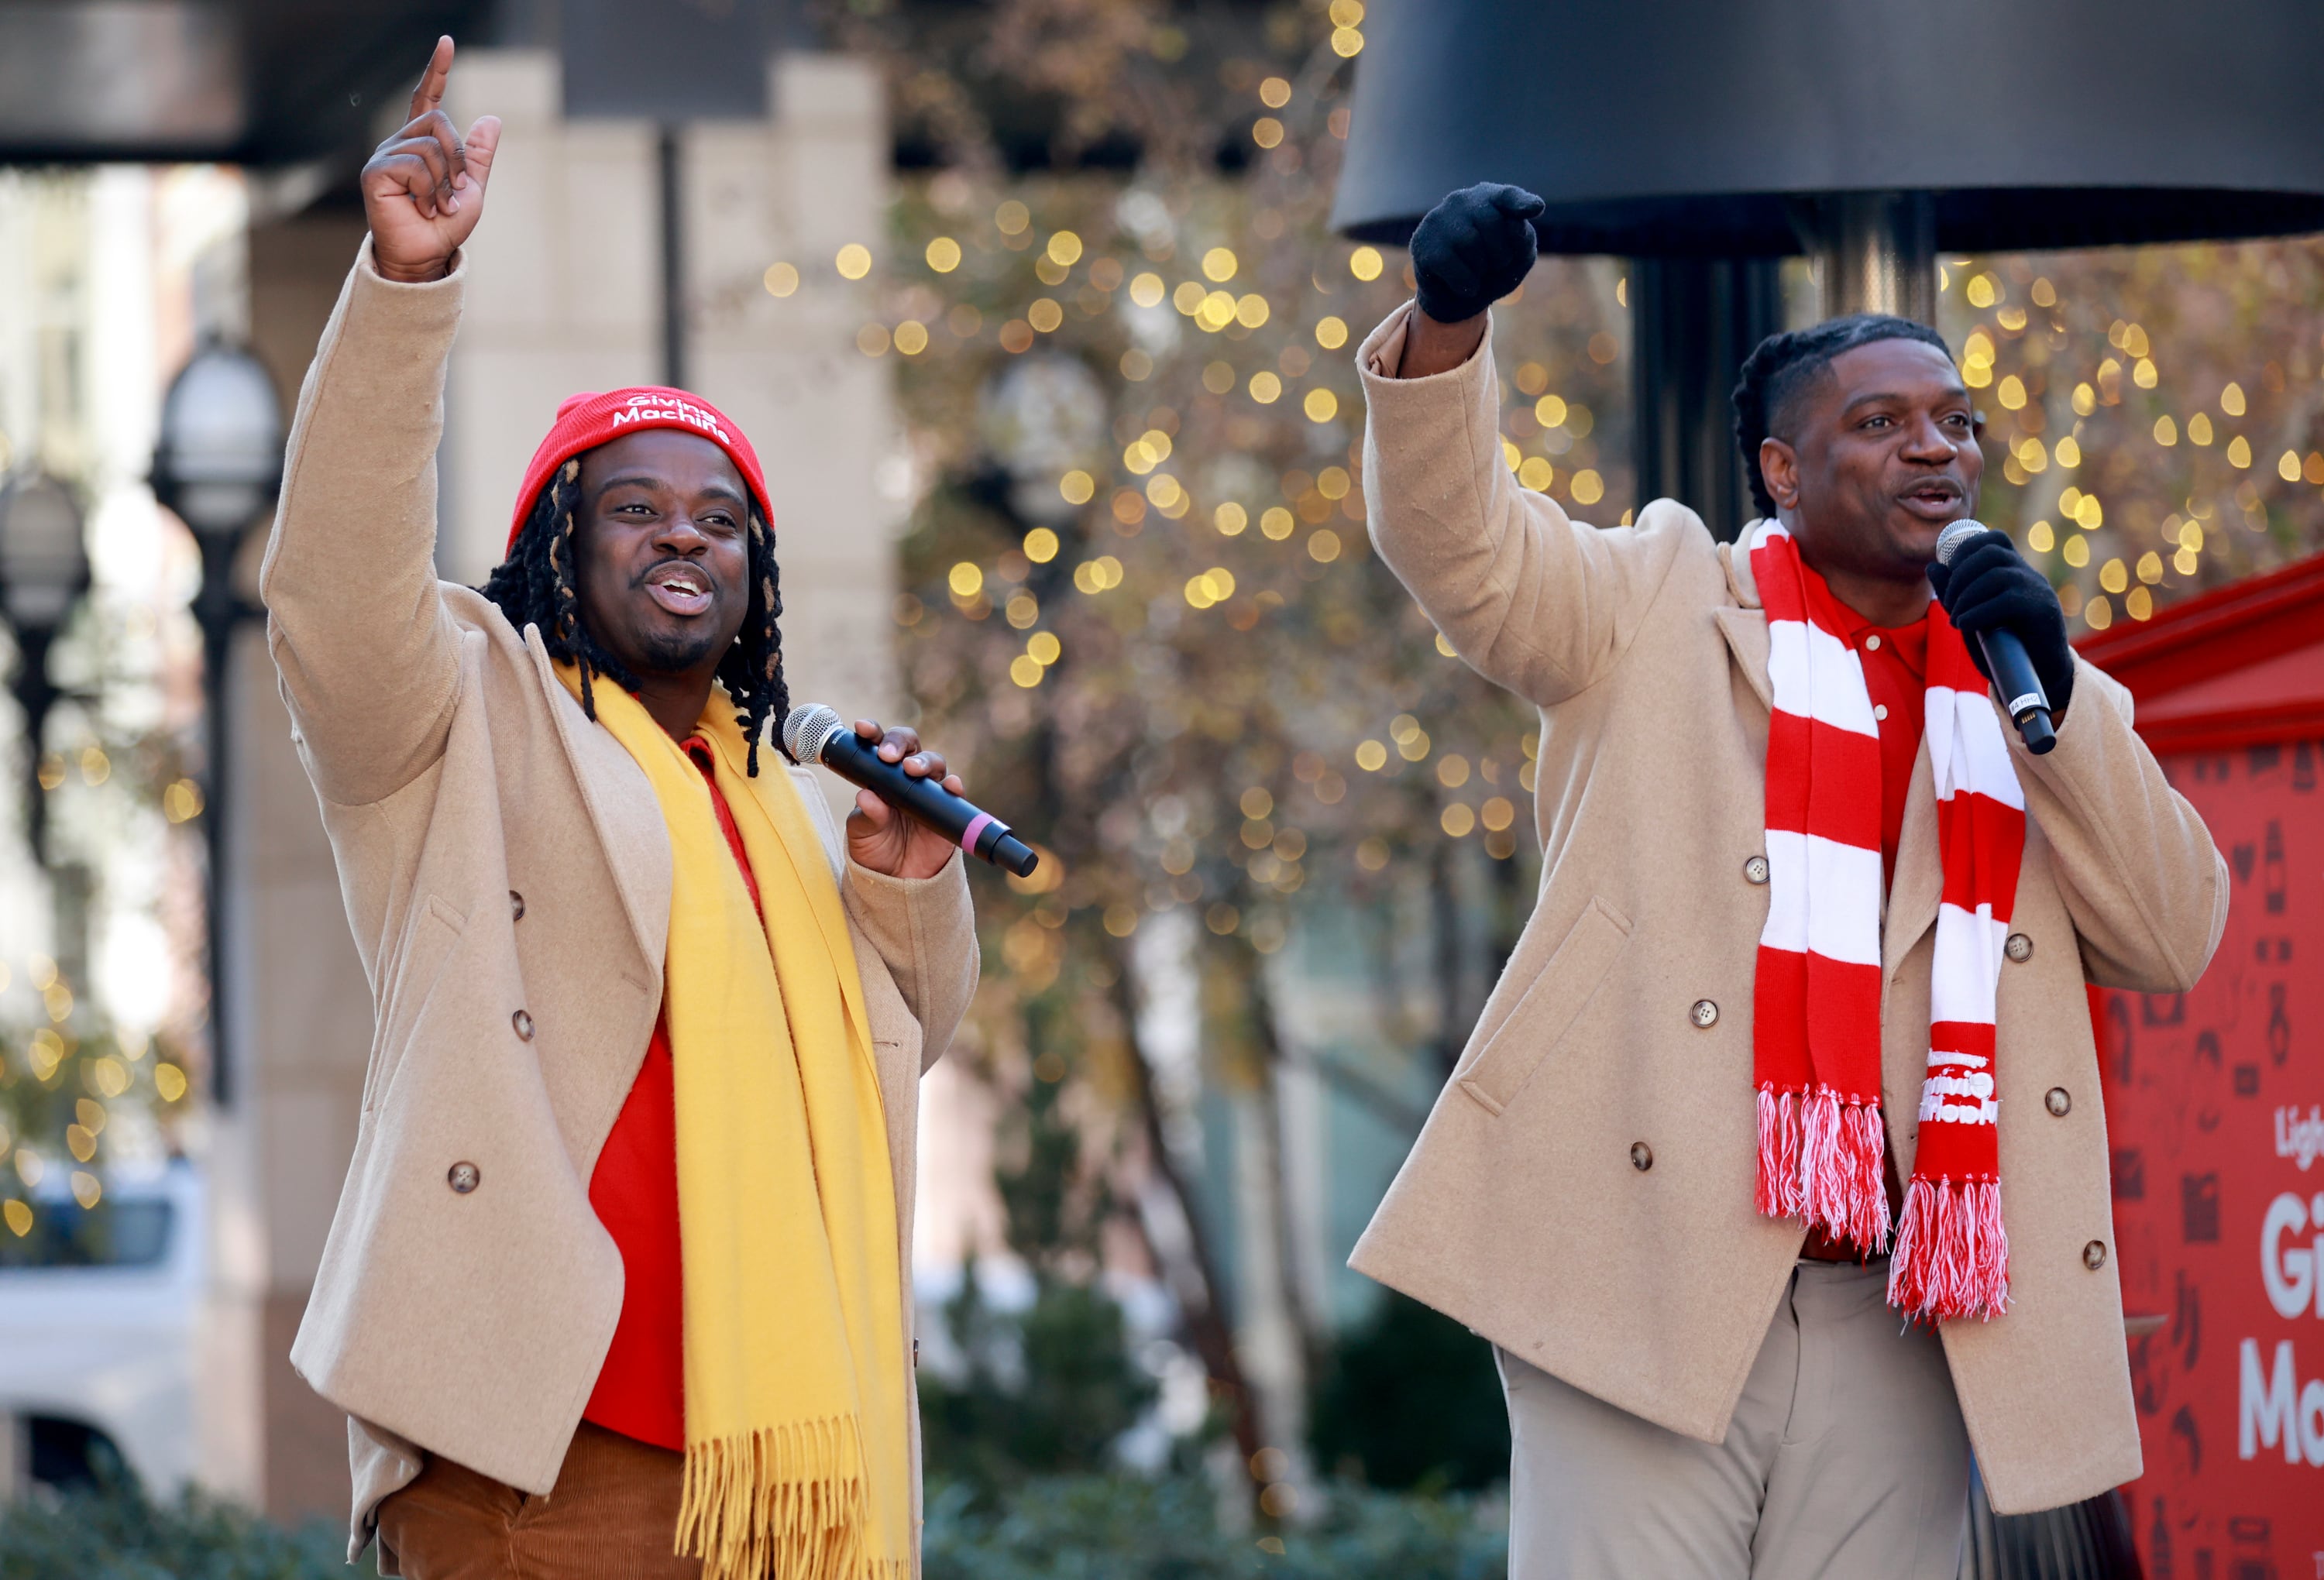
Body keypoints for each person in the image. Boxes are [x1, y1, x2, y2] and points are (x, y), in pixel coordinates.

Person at [1348, 183, 2227, 1578]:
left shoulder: (2020, 685)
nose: (1933, 448)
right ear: (1782, 469)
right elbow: (1468, 556)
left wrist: (2058, 691)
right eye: (1878, 424)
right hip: (1645, 1271)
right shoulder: (1660, 601)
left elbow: (2175, 934)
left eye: (1954, 422)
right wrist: (1448, 328)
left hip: (1912, 1303)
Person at [263, 39, 978, 1580]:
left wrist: (909, 883)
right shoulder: (464, 730)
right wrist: (404, 289)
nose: (685, 539)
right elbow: (332, 593)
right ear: (554, 545)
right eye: (637, 506)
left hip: (785, 1472)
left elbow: (900, 1055)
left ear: (756, 578)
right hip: (538, 1463)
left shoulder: (795, 793)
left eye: (722, 521)